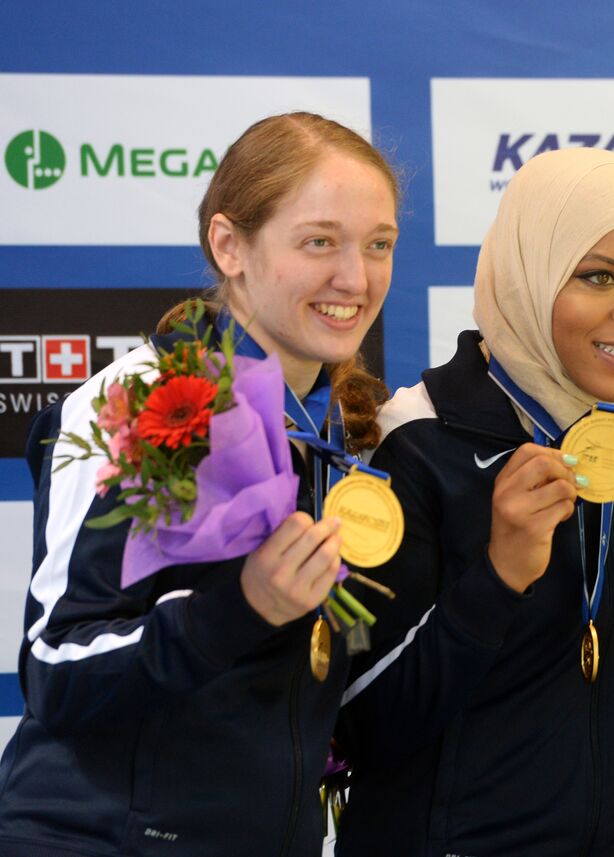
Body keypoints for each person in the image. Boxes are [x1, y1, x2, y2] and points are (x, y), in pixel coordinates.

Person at [0, 112, 399, 856]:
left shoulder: (346, 429)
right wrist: (239, 608)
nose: (357, 277)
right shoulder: (140, 406)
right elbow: (54, 671)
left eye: (379, 244)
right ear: (229, 245)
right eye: (320, 241)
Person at [334, 147, 614, 855]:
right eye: (599, 277)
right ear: (530, 275)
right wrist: (496, 578)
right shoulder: (416, 444)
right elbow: (360, 726)